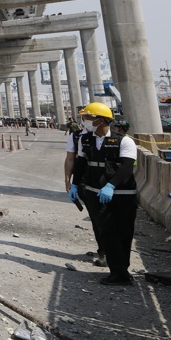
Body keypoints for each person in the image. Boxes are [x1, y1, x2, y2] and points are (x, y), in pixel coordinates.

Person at [70, 101, 139, 285]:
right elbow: (80, 164)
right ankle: (117, 272)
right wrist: (74, 185)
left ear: (100, 120)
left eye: (87, 118)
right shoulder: (86, 140)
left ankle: (122, 270)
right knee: (107, 232)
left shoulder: (124, 141)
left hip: (123, 195)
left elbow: (126, 167)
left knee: (124, 232)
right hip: (96, 194)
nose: (84, 121)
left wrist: (112, 186)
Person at [63, 110, 104, 267]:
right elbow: (71, 159)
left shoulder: (114, 137)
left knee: (105, 217)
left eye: (91, 118)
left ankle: (109, 250)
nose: (87, 121)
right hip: (85, 181)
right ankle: (104, 250)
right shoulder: (77, 137)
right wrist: (69, 180)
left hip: (106, 180)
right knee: (95, 216)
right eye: (85, 118)